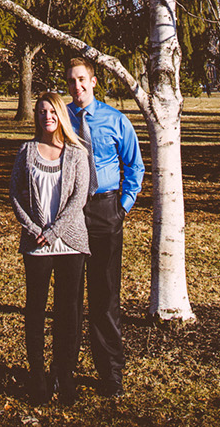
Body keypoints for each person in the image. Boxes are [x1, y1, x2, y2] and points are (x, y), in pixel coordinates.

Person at [65, 55, 145, 398]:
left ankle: (111, 373)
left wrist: (121, 209)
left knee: (105, 296)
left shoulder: (116, 120)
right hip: (70, 214)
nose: (77, 87)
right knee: (68, 298)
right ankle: (63, 372)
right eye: (71, 81)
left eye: (82, 80)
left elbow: (135, 167)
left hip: (105, 211)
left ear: (94, 82)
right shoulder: (61, 118)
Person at [11, 90, 92, 406]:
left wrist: (56, 230)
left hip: (71, 243)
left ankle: (65, 374)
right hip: (36, 245)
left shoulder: (76, 151)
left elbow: (79, 198)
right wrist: (34, 230)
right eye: (42, 111)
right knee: (35, 310)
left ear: (61, 116)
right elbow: (15, 194)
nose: (47, 116)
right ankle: (38, 377)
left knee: (67, 313)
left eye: (53, 111)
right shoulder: (27, 151)